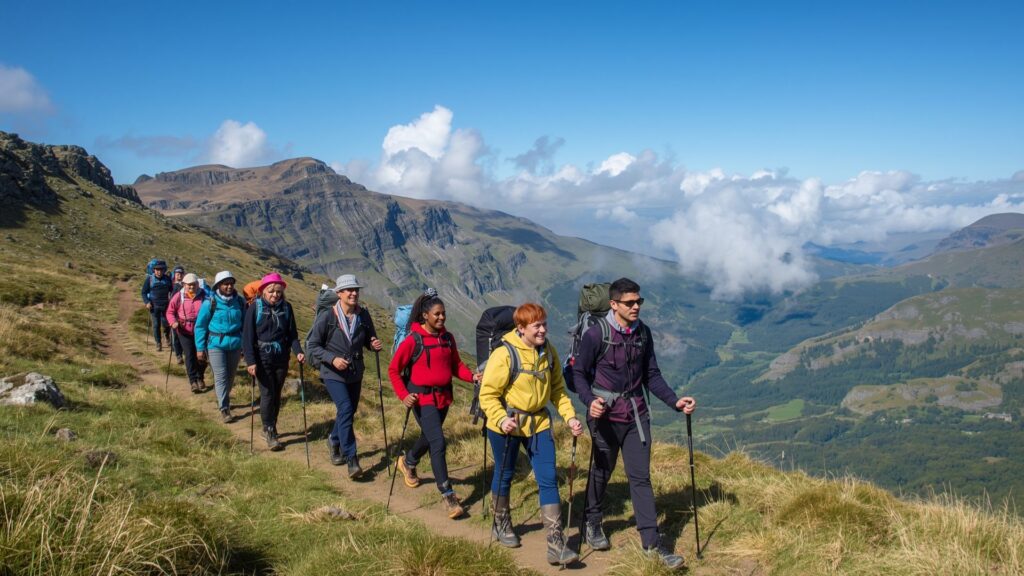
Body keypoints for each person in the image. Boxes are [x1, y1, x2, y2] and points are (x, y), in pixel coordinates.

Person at [572, 277, 697, 570]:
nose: (636, 306)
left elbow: (651, 375)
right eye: (629, 302)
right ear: (613, 305)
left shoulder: (643, 333)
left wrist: (674, 401)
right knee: (602, 470)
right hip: (604, 415)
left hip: (636, 415)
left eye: (639, 301)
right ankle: (592, 521)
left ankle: (652, 546)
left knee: (640, 477)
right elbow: (579, 373)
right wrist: (589, 400)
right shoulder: (595, 335)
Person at [479, 302, 583, 565]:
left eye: (544, 324)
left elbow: (558, 389)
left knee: (548, 477)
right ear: (521, 327)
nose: (543, 330)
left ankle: (555, 544)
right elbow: (488, 395)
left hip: (539, 423)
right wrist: (502, 419)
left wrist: (570, 417)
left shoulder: (548, 351)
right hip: (507, 425)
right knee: (506, 474)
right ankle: (501, 524)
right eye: (537, 326)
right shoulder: (504, 354)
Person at [389, 289, 478, 519]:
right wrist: (403, 395)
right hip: (422, 399)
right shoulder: (413, 340)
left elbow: (456, 365)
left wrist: (473, 377)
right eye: (437, 314)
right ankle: (448, 496)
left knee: (429, 438)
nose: (441, 318)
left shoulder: (447, 338)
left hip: (444, 398)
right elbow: (394, 370)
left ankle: (408, 462)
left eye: (444, 314)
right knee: (438, 442)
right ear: (425, 316)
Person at [306, 274, 382, 477]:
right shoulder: (328, 317)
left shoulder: (363, 315)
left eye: (356, 289)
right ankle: (352, 458)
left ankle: (334, 439)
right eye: (349, 290)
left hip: (355, 372)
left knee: (348, 411)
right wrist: (332, 359)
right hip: (333, 372)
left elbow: (368, 339)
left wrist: (372, 344)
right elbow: (313, 346)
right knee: (346, 408)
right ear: (339, 293)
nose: (353, 293)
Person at [242, 272, 305, 451]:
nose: (275, 294)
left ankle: (271, 426)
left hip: (281, 357)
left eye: (278, 291)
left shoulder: (287, 307)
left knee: (276, 393)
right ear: (263, 291)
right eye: (271, 291)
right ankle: (270, 430)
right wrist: (250, 361)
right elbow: (247, 337)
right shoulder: (255, 308)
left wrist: (298, 352)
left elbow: (292, 335)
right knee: (268, 393)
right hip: (262, 358)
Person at [195, 271, 246, 423]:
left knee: (230, 377)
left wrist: (244, 345)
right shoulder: (210, 303)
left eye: (231, 283)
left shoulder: (240, 302)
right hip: (216, 344)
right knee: (221, 376)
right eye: (226, 284)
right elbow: (200, 326)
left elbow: (244, 324)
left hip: (235, 344)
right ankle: (224, 408)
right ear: (218, 285)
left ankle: (223, 397)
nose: (229, 286)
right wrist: (199, 348)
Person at [166, 273, 209, 393]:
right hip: (184, 331)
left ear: (197, 284)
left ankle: (200, 377)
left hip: (201, 330)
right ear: (184, 285)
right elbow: (170, 312)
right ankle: (193, 381)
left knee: (202, 356)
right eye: (188, 285)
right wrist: (173, 322)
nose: (191, 287)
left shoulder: (204, 295)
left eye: (193, 285)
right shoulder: (178, 296)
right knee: (189, 355)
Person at [140, 260, 173, 351]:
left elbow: (172, 291)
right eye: (157, 269)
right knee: (156, 325)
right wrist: (147, 302)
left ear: (164, 270)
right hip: (154, 306)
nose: (159, 271)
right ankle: (158, 343)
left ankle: (167, 337)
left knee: (166, 324)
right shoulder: (149, 280)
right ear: (154, 270)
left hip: (166, 306)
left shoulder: (167, 279)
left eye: (161, 269)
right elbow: (143, 292)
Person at [170, 265, 186, 364]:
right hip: (175, 315)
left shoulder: (187, 285)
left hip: (184, 316)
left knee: (182, 336)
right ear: (174, 275)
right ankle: (178, 355)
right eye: (177, 274)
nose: (179, 275)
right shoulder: (171, 285)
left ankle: (181, 354)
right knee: (176, 336)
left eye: (181, 273)